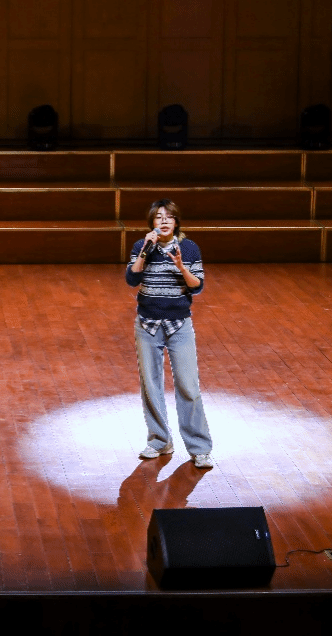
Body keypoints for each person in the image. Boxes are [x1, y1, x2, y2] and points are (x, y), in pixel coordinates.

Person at [125, 199, 214, 469]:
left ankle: (199, 448)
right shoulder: (142, 246)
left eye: (169, 217)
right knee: (150, 385)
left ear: (176, 222)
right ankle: (159, 441)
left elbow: (197, 286)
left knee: (188, 385)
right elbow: (131, 279)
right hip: (148, 324)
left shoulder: (189, 248)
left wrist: (181, 266)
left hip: (179, 324)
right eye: (158, 217)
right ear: (151, 223)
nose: (164, 221)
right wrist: (145, 251)